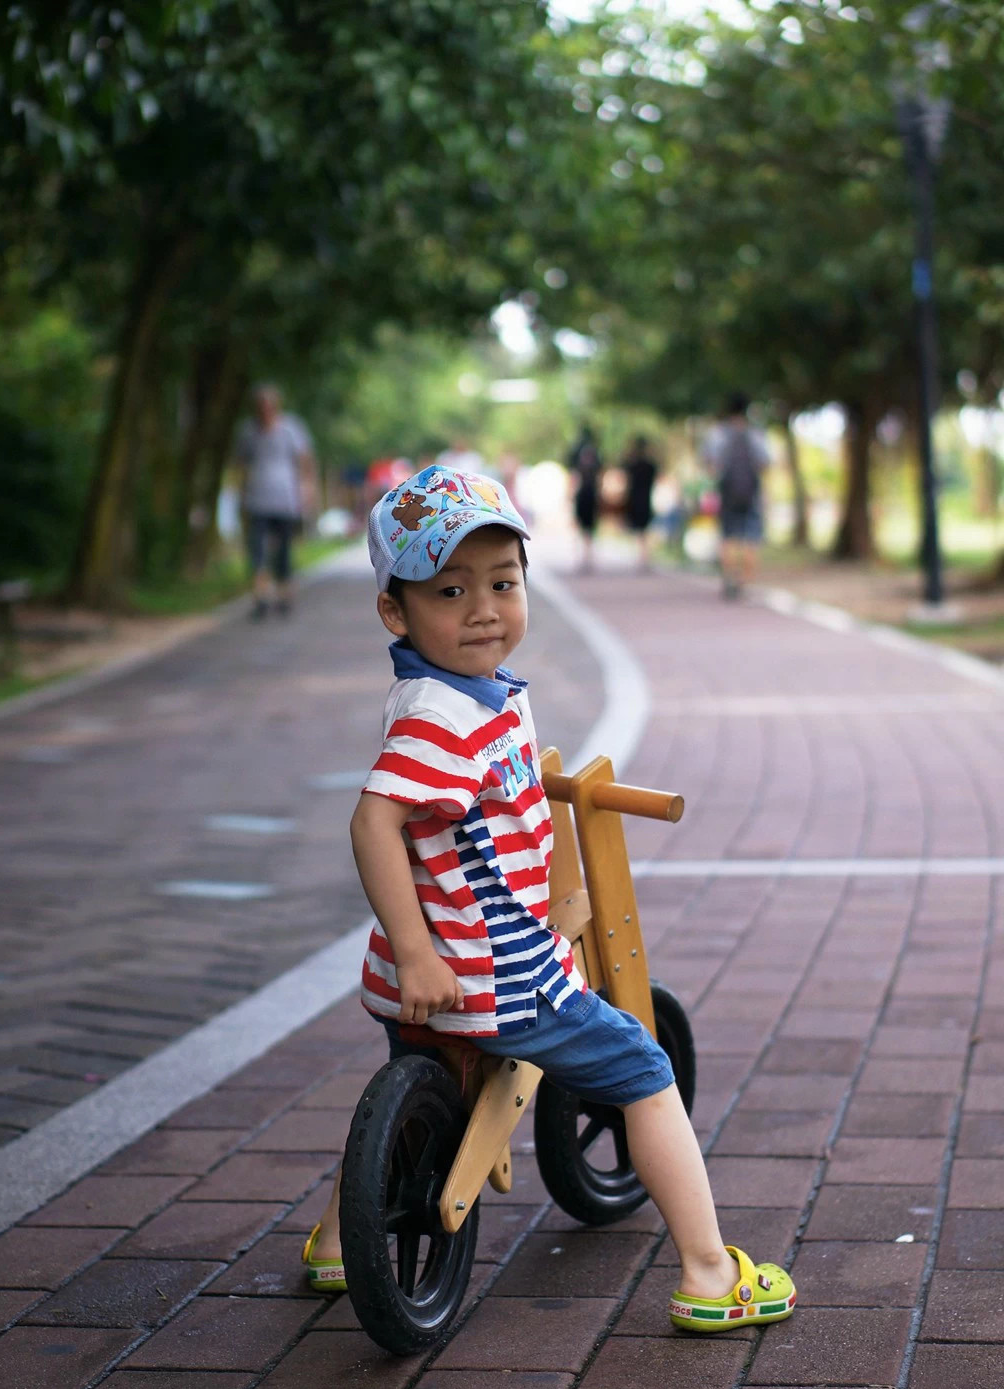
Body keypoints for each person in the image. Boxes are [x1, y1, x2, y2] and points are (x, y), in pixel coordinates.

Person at [302, 464, 797, 1333]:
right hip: (496, 973)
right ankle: (713, 1272)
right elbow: (374, 823)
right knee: (645, 1069)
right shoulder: (437, 717)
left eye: (503, 583)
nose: (485, 608)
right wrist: (422, 948)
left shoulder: (468, 692)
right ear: (397, 611)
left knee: (416, 1091)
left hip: (430, 971)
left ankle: (339, 1242)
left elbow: (471, 803)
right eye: (451, 590)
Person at [233, 384, 318, 619]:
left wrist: (307, 491)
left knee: (283, 551)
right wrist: (239, 494)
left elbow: (305, 461)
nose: (265, 410)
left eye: (269, 405)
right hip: (257, 499)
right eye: (261, 406)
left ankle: (284, 594)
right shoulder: (248, 432)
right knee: (257, 550)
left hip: (285, 499)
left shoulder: (291, 428)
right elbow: (240, 466)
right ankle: (260, 597)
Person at [701, 392, 770, 599]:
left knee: (727, 536)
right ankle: (744, 582)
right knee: (751, 538)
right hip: (751, 493)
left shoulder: (718, 434)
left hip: (727, 493)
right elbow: (765, 463)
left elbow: (709, 464)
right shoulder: (756, 434)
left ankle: (729, 579)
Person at [567, 425, 602, 571]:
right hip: (592, 493)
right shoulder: (596, 453)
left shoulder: (576, 452)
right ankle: (587, 555)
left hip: (582, 493)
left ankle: (581, 556)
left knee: (580, 525)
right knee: (590, 527)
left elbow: (573, 474)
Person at [623, 435, 660, 571]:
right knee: (644, 529)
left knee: (640, 530)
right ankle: (645, 556)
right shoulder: (649, 465)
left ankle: (643, 556)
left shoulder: (634, 465)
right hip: (645, 500)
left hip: (636, 500)